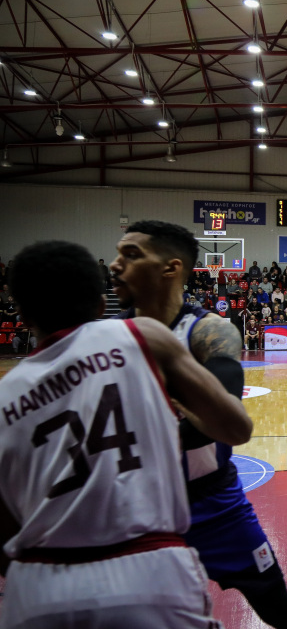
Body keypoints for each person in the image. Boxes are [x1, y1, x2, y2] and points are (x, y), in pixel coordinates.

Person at [0, 240, 253, 629]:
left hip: (38, 586)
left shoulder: (4, 396)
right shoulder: (141, 338)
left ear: (21, 315)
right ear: (103, 307)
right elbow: (236, 427)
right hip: (148, 567)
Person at [109, 222, 287, 629]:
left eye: (131, 254)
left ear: (171, 268)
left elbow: (223, 424)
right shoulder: (106, 336)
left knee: (274, 602)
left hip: (214, 504)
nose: (115, 265)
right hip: (137, 506)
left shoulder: (209, 331)